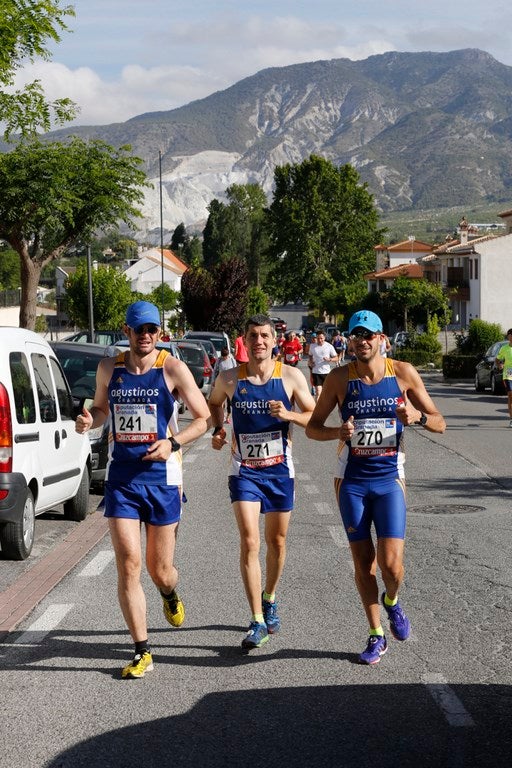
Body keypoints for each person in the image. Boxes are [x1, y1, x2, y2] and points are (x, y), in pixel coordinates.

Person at [75, 300, 210, 679]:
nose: (147, 336)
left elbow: (204, 418)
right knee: (129, 564)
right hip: (122, 479)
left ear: (158, 332)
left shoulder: (172, 368)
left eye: (152, 329)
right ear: (127, 331)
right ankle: (142, 649)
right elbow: (101, 411)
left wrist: (174, 442)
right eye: (140, 330)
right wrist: (91, 420)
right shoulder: (109, 368)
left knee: (159, 569)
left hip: (162, 479)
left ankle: (169, 593)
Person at [306, 309, 445, 665]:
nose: (363, 341)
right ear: (350, 340)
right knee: (364, 562)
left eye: (370, 335)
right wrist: (337, 433)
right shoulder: (339, 379)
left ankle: (392, 601)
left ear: (382, 338)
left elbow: (440, 423)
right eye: (357, 335)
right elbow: (312, 427)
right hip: (350, 480)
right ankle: (375, 633)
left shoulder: (403, 374)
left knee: (391, 566)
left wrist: (419, 417)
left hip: (388, 480)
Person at [208, 314, 316, 650]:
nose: (259, 341)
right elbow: (214, 403)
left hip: (280, 470)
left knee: (277, 542)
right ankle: (256, 619)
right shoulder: (229, 379)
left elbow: (314, 416)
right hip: (245, 471)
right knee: (251, 541)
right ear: (245, 340)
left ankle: (269, 597)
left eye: (265, 336)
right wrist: (219, 428)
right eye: (253, 335)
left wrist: (289, 415)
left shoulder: (291, 377)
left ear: (274, 341)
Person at [308, 331, 338, 400]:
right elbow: (310, 355)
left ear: (324, 338)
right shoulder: (312, 346)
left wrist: (329, 359)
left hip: (326, 372)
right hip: (316, 372)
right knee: (318, 392)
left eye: (321, 338)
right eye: (318, 338)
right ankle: (317, 410)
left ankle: (325, 408)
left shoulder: (329, 346)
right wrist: (311, 361)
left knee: (326, 392)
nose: (320, 340)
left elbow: (336, 358)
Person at [212, 345, 237, 423]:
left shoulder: (232, 360)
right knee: (221, 401)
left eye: (225, 357)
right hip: (221, 383)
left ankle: (228, 417)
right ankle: (221, 416)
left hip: (230, 384)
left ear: (228, 355)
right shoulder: (219, 361)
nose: (224, 358)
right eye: (223, 357)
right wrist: (213, 381)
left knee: (229, 402)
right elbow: (215, 371)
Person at [495, 328, 512, 427]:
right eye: (511, 335)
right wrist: (500, 365)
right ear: (508, 337)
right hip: (508, 373)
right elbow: (497, 359)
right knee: (510, 394)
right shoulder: (504, 348)